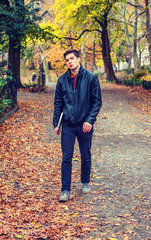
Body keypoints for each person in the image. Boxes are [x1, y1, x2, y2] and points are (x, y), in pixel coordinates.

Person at [53, 49, 102, 202]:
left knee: (85, 156)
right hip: (68, 124)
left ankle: (85, 181)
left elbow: (96, 102)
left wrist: (90, 120)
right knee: (66, 157)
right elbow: (58, 104)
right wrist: (57, 123)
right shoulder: (62, 80)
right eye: (67, 60)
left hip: (84, 124)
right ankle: (65, 190)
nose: (70, 61)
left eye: (72, 58)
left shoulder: (91, 78)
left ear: (79, 59)